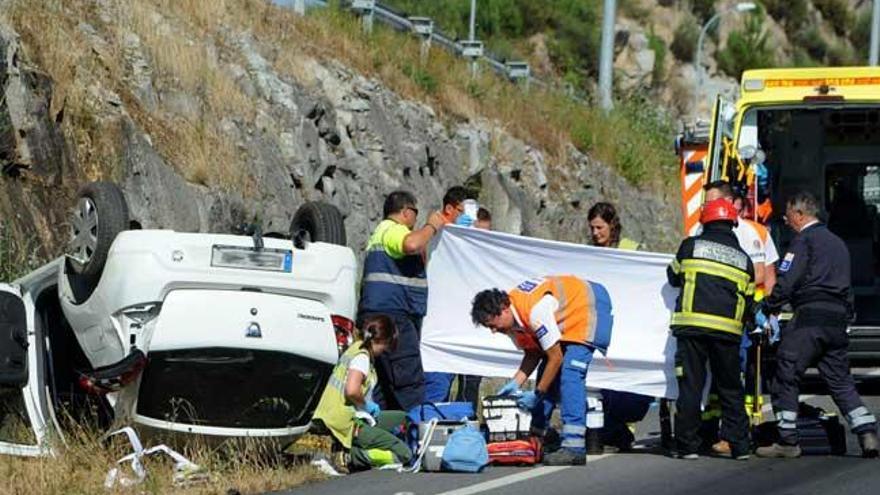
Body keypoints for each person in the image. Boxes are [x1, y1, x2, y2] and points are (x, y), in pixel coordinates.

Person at [756, 191, 880, 458]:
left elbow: (787, 280)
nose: (786, 221)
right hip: (837, 319)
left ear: (800, 215)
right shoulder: (838, 244)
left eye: (788, 216)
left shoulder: (803, 241)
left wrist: (768, 306)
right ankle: (867, 431)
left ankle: (787, 441)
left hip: (810, 316)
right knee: (840, 380)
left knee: (786, 370)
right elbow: (848, 287)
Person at [471, 275, 613, 465]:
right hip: (565, 317)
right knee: (546, 375)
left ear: (503, 310)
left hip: (588, 305)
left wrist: (537, 393)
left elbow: (556, 357)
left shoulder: (534, 312)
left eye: (492, 325)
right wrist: (515, 383)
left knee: (570, 375)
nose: (493, 331)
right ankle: (539, 436)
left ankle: (574, 447)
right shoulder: (513, 321)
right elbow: (533, 354)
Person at [668, 197, 755, 461]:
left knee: (691, 386)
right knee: (730, 389)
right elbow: (749, 302)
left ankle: (687, 446)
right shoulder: (744, 260)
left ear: (704, 222)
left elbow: (672, 277)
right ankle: (739, 447)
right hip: (727, 332)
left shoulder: (690, 246)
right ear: (732, 224)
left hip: (692, 328)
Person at [700, 181, 780, 455]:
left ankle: (735, 432)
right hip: (715, 311)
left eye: (710, 201)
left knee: (737, 373)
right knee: (715, 374)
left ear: (728, 202)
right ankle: (710, 427)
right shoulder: (702, 228)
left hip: (743, 314)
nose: (705, 206)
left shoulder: (749, 231)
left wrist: (768, 312)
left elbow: (761, 275)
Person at [358, 190, 445, 412]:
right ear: (406, 211)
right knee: (409, 384)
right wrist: (432, 226)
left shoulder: (379, 234)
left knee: (384, 387)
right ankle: (416, 436)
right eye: (415, 213)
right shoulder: (393, 230)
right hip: (394, 317)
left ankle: (384, 437)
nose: (416, 220)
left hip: (378, 315)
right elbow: (411, 245)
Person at [586, 201, 651, 453]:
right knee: (600, 380)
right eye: (591, 228)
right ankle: (605, 427)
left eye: (599, 227)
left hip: (628, 325)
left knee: (624, 380)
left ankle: (623, 428)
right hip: (601, 325)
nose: (595, 233)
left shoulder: (631, 249)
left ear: (612, 225)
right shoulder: (588, 253)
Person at [312, 315, 413, 471]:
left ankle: (376, 440)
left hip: (346, 413)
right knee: (404, 454)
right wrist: (366, 406)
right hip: (345, 420)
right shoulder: (362, 358)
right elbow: (352, 391)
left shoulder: (356, 348)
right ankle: (350, 456)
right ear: (382, 341)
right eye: (386, 346)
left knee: (404, 418)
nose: (385, 351)